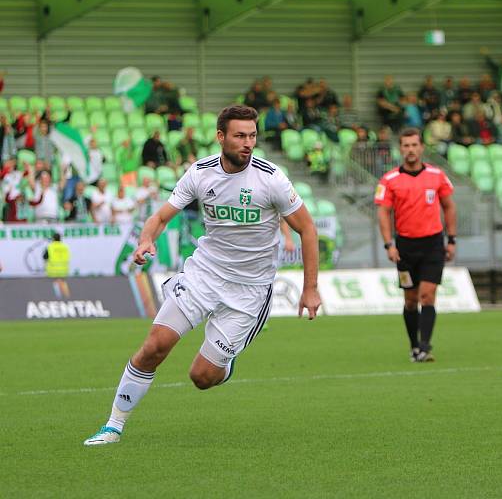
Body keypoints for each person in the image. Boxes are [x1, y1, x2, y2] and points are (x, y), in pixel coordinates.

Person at [83, 105, 321, 446]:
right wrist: (147, 238)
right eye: (240, 136)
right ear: (221, 137)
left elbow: (308, 229)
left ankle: (224, 364)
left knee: (202, 377)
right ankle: (113, 425)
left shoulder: (272, 179)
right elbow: (162, 215)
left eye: (252, 136)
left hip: (249, 290)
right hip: (204, 274)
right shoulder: (200, 172)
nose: (248, 143)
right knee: (155, 345)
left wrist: (309, 289)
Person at [374, 127, 456, 363]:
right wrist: (389, 244)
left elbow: (449, 206)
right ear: (400, 149)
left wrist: (451, 239)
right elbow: (383, 213)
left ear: (421, 147)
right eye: (406, 145)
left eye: (414, 145)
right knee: (410, 300)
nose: (410, 150)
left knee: (427, 296)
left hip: (433, 245)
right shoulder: (389, 180)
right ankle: (414, 345)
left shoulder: (437, 176)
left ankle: (425, 346)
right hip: (405, 247)